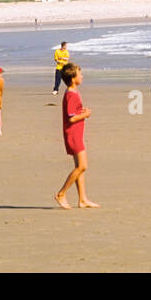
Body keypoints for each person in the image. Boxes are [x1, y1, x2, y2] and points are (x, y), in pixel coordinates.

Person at [54, 63, 98, 209]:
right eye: (80, 73)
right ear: (73, 78)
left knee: (79, 166)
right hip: (73, 135)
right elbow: (71, 118)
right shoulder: (71, 94)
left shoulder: (72, 93)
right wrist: (85, 114)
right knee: (82, 166)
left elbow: (73, 113)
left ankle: (82, 199)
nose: (82, 76)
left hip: (76, 134)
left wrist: (82, 111)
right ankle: (61, 193)